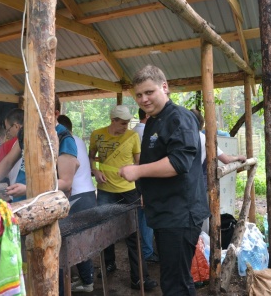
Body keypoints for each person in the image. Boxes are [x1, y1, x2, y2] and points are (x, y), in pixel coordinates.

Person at [119, 65, 210, 295]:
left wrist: (137, 172)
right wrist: (145, 194)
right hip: (164, 212)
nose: (144, 99)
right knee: (174, 279)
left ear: (164, 87)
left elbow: (179, 163)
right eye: (139, 95)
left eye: (149, 92)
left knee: (175, 283)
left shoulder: (180, 117)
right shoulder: (152, 121)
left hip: (181, 214)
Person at [89, 104, 158, 291]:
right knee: (104, 232)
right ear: (112, 120)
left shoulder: (133, 137)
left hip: (129, 191)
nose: (126, 126)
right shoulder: (97, 134)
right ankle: (108, 264)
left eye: (128, 123)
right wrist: (95, 171)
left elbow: (139, 164)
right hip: (105, 190)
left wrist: (141, 191)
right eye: (122, 123)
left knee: (134, 234)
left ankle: (139, 278)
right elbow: (91, 156)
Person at [0, 96, 79, 200]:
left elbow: (66, 182)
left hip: (45, 204)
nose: (36, 119)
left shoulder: (64, 138)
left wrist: (27, 189)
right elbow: (8, 161)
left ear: (56, 114)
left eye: (41, 115)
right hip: (21, 200)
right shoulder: (27, 132)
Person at [57, 114, 96, 293]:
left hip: (76, 197)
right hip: (88, 194)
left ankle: (78, 282)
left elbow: (66, 179)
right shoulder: (79, 140)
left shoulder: (66, 141)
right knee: (81, 241)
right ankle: (85, 280)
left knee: (70, 243)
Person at [133, 108, 159, 263]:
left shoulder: (131, 131)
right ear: (147, 115)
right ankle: (147, 251)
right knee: (147, 214)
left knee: (139, 213)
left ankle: (141, 248)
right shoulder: (148, 133)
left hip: (134, 177)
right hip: (147, 177)